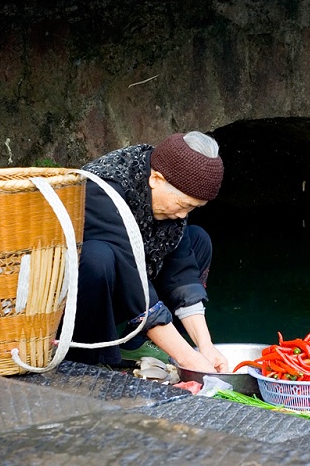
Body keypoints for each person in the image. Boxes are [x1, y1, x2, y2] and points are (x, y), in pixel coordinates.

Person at [66, 131, 228, 373]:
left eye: (193, 208)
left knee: (197, 240)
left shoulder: (169, 186)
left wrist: (205, 347)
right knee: (97, 257)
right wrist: (188, 359)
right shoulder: (103, 189)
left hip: (135, 281)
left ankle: (139, 344)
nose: (184, 214)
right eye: (183, 205)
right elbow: (132, 281)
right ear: (156, 178)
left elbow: (181, 274)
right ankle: (84, 359)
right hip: (86, 298)